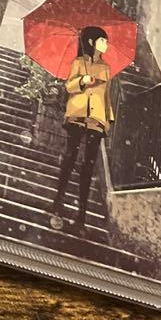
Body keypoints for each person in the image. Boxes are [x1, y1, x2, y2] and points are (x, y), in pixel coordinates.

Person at [50, 25, 114, 232]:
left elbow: (106, 95)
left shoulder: (105, 68)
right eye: (103, 40)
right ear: (91, 42)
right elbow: (69, 86)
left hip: (96, 120)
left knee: (88, 166)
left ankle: (82, 214)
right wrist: (83, 81)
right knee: (70, 158)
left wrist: (108, 119)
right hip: (77, 115)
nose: (106, 44)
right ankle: (58, 202)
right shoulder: (78, 63)